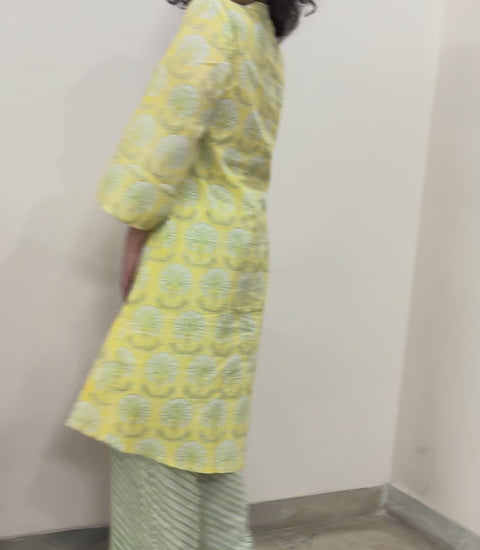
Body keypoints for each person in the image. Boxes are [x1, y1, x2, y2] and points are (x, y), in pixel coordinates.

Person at [67, 0, 315, 548]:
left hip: (192, 247)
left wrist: (136, 229)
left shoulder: (214, 16)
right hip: (239, 247)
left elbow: (167, 131)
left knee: (153, 425)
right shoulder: (260, 32)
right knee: (205, 430)